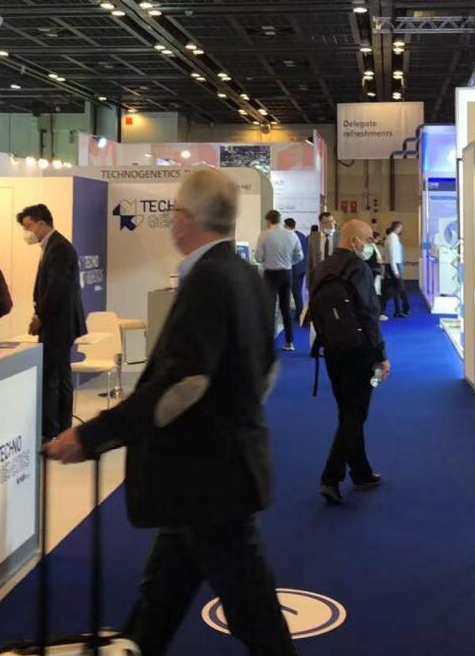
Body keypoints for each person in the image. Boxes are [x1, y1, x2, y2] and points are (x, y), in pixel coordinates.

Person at [45, 168, 296, 656]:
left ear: (188, 218)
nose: (173, 221)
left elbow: (182, 384)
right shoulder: (245, 275)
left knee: (255, 613)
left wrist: (92, 436)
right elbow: (266, 371)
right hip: (213, 473)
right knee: (160, 597)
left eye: (176, 211)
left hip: (209, 478)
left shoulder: (208, 280)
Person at [307, 219, 390, 505]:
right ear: (354, 241)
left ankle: (361, 472)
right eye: (367, 240)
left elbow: (314, 310)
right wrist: (381, 355)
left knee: (348, 412)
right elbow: (369, 314)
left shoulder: (321, 268)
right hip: (358, 352)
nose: (368, 246)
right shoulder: (359, 268)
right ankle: (331, 476)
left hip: (331, 350)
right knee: (355, 413)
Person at [18, 203, 87, 441]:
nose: (27, 233)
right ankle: (59, 426)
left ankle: (52, 428)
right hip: (57, 321)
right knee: (59, 374)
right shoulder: (52, 246)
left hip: (59, 322)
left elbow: (56, 288)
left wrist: (40, 316)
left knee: (52, 377)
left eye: (28, 227)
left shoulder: (60, 248)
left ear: (41, 223)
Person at [254, 208, 303, 352]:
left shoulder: (264, 235)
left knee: (269, 309)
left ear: (268, 221)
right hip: (286, 273)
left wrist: (267, 259)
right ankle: (289, 342)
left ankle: (267, 343)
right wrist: (289, 262)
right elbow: (299, 256)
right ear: (280, 220)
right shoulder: (291, 234)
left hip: (270, 274)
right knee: (285, 308)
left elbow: (258, 257)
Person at [381, 220, 410, 319]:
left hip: (389, 266)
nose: (401, 230)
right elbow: (393, 255)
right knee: (400, 289)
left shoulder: (388, 238)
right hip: (393, 266)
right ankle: (404, 309)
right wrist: (395, 271)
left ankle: (393, 310)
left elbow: (386, 255)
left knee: (391, 290)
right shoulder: (393, 238)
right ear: (397, 228)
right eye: (400, 228)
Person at [308, 212, 337, 297]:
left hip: (335, 276)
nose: (331, 225)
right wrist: (309, 282)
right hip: (318, 276)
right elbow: (309, 260)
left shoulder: (340, 236)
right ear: (321, 223)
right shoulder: (313, 238)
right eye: (327, 222)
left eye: (332, 221)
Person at [285, 218, 309, 318]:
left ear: (287, 226)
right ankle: (300, 314)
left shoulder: (290, 237)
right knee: (298, 292)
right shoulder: (302, 236)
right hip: (302, 268)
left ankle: (295, 314)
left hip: (293, 268)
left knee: (292, 292)